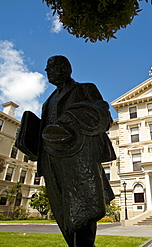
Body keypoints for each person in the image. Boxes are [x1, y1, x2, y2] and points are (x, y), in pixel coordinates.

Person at [18, 55, 115, 247]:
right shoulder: (48, 102)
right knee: (63, 212)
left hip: (79, 158)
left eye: (51, 67)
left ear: (64, 68)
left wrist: (72, 117)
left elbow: (102, 114)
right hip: (51, 160)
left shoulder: (85, 88)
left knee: (84, 209)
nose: (47, 71)